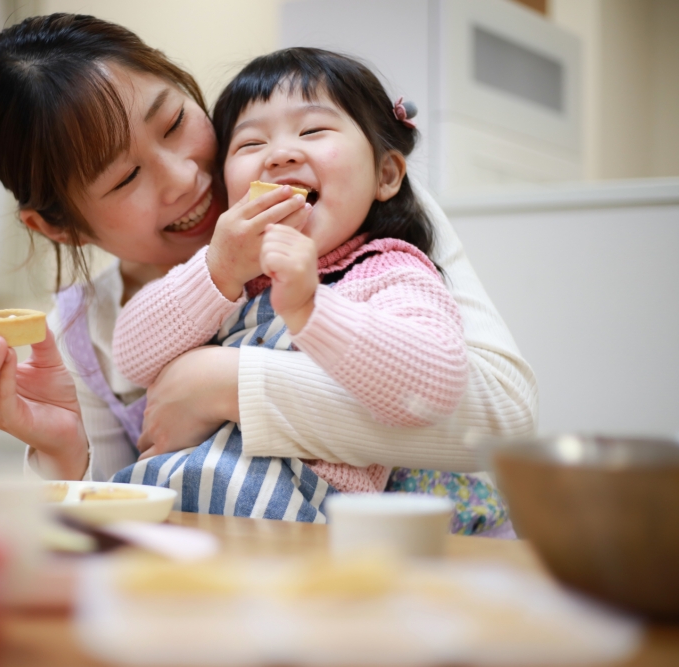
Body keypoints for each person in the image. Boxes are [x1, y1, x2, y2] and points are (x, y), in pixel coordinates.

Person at [0, 15, 537, 529]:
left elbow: (500, 418)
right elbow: (110, 523)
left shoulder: (363, 216)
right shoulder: (80, 338)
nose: (183, 178)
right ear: (58, 227)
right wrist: (60, 452)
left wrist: (222, 383)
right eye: (125, 178)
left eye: (174, 121)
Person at [110, 47, 471, 520]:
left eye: (313, 131)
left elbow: (436, 384)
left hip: (299, 521)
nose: (280, 155)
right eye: (250, 145)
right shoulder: (227, 273)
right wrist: (218, 270)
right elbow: (130, 355)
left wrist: (310, 308)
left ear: (385, 174)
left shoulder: (389, 271)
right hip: (173, 510)